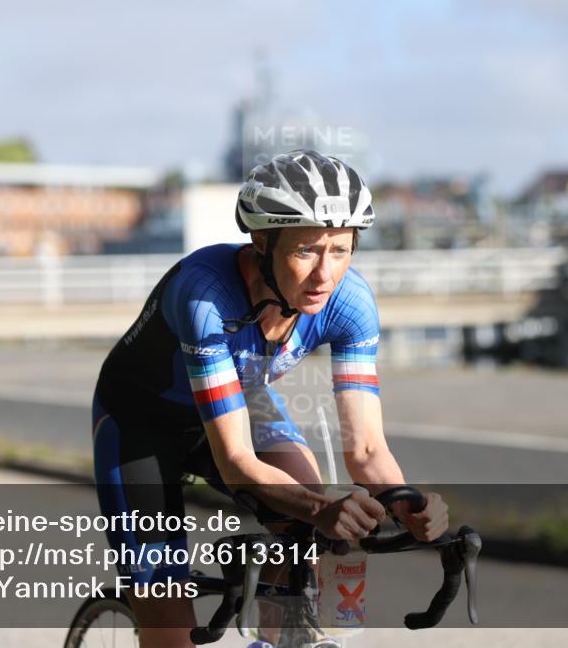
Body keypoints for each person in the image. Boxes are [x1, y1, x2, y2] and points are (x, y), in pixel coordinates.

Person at [92, 149, 449, 647]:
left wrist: (406, 501)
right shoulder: (205, 296)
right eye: (306, 251)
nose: (325, 275)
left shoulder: (350, 303)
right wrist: (318, 509)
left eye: (340, 250)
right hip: (141, 424)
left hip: (240, 401)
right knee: (166, 605)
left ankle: (278, 637)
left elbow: (367, 449)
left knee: (306, 518)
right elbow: (237, 461)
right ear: (262, 242)